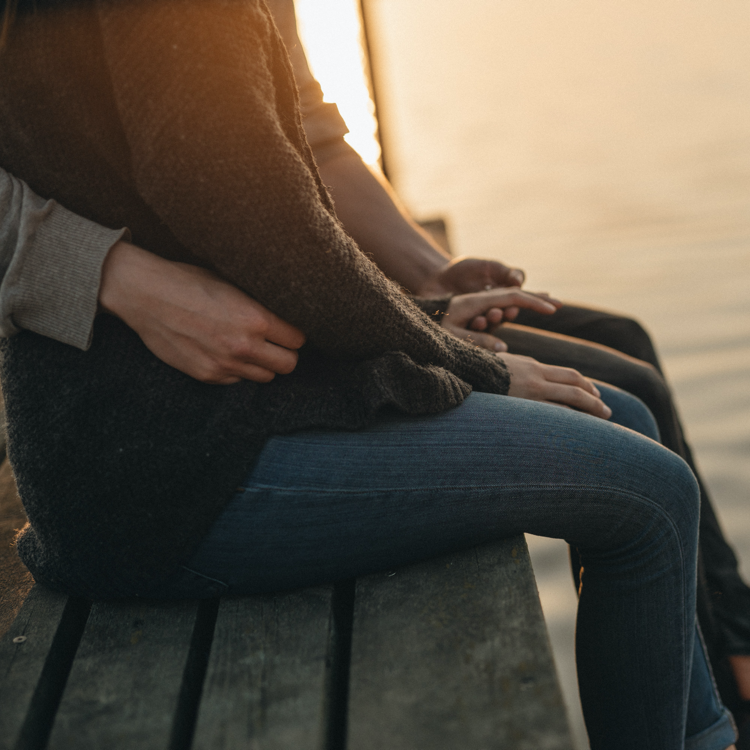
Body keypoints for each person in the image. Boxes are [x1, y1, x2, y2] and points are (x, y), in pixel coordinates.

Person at [0, 1, 740, 747]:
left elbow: (263, 204)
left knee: (625, 417)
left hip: (199, 421)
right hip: (157, 473)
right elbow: (251, 211)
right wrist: (466, 362)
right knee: (650, 492)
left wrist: (421, 315)